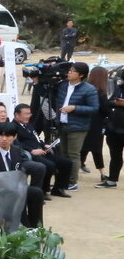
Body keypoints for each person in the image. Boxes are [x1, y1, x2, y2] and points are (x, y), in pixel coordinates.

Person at [57, 62, 100, 190]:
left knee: (73, 154)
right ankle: (63, 179)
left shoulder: (89, 89)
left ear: (81, 75)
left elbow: (94, 108)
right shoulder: (63, 85)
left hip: (78, 126)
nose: (69, 73)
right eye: (69, 70)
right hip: (62, 123)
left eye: (72, 71)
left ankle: (72, 181)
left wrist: (74, 108)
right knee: (63, 153)